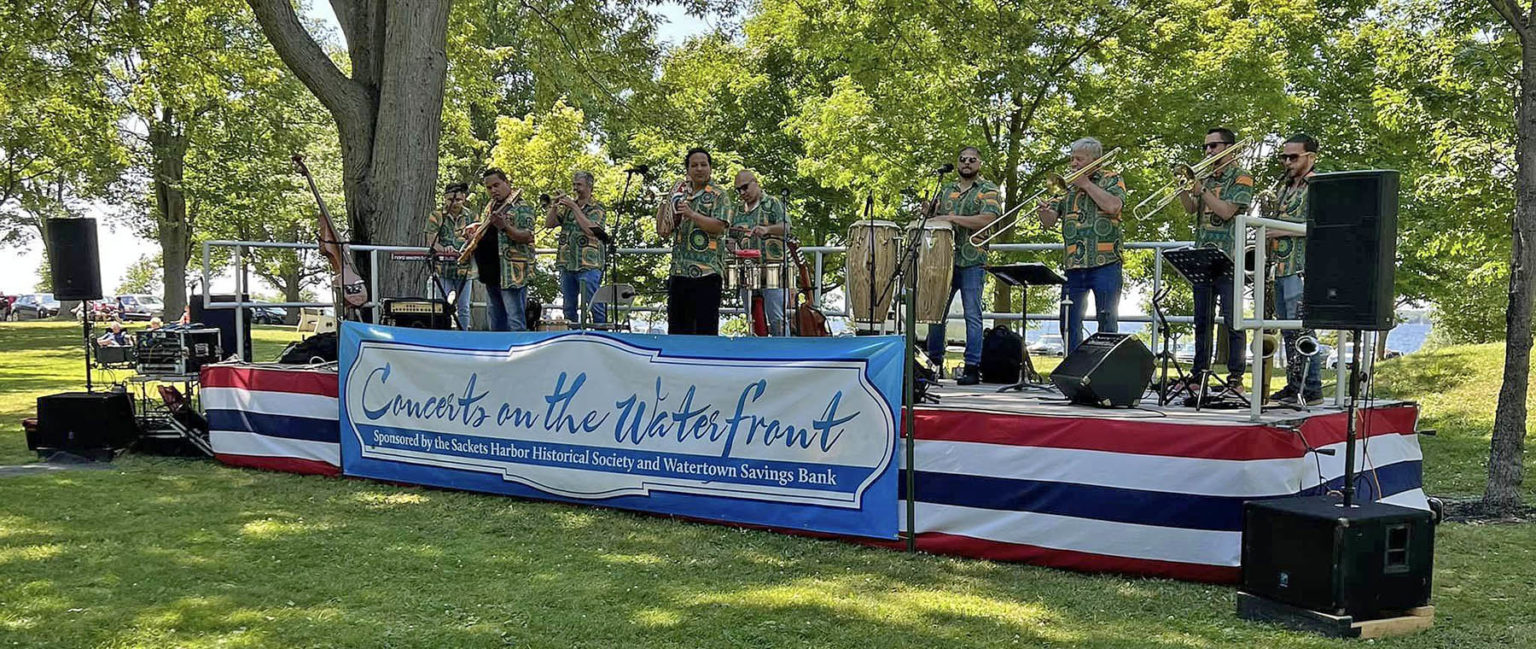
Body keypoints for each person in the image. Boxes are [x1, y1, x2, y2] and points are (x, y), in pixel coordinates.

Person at [1178, 128, 1254, 393]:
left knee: (1234, 322)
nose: (1208, 152)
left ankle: (1236, 378)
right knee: (1202, 320)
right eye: (1206, 147)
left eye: (1213, 146)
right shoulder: (1205, 177)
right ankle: (1198, 374)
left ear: (1230, 148)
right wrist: (1183, 190)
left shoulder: (1241, 177)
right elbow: (1191, 209)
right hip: (1203, 257)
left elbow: (1227, 211)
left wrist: (1202, 189)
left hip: (1230, 257)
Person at [1038, 137, 1127, 352]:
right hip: (1074, 263)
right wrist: (1044, 213)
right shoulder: (1066, 187)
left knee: (1107, 320)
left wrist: (1085, 184)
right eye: (1072, 159)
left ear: (1095, 160)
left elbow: (1114, 206)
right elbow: (1050, 222)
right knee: (1068, 322)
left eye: (1079, 159)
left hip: (1106, 261)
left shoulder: (1111, 179)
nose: (1073, 164)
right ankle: (1073, 369)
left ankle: (1104, 372)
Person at [924, 146, 1003, 385]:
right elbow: (933, 219)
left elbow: (989, 219)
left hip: (972, 259)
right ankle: (933, 363)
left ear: (979, 164)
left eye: (972, 160)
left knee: (972, 314)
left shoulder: (989, 190)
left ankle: (972, 366)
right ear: (957, 164)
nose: (967, 163)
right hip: (943, 261)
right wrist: (929, 212)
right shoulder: (946, 190)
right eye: (962, 160)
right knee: (935, 313)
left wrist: (951, 218)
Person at [1267, 133, 1326, 406]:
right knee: (1288, 330)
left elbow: (1317, 224)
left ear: (1310, 158)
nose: (1287, 162)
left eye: (1293, 157)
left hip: (1301, 267)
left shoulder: (1317, 185)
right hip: (1280, 266)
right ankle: (1294, 385)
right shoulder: (1284, 188)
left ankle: (1311, 387)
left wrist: (1270, 230)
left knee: (1302, 329)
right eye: (1284, 157)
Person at [656, 148, 731, 335]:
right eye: (694, 165)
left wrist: (691, 214)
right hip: (679, 272)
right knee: (677, 331)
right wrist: (664, 204)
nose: (699, 169)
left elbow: (720, 226)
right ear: (687, 170)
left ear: (710, 168)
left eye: (703, 165)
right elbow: (663, 231)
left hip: (707, 274)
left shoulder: (719, 194)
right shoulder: (680, 195)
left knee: (705, 332)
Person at [467, 168, 537, 332]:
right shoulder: (490, 207)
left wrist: (505, 227)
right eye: (489, 188)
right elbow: (488, 229)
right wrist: (475, 230)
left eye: (496, 185)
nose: (493, 190)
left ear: (507, 183)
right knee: (495, 319)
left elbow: (527, 236)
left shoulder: (522, 206)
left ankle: (518, 353)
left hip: (511, 273)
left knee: (514, 319)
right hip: (491, 271)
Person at [729, 170, 789, 336]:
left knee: (777, 317)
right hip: (746, 270)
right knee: (751, 318)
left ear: (756, 183)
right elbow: (731, 237)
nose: (742, 193)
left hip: (772, 268)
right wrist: (732, 247)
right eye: (738, 190)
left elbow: (786, 227)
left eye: (745, 187)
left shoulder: (772, 203)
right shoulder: (737, 210)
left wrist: (767, 229)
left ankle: (784, 352)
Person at [546, 171, 607, 327]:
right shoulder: (568, 208)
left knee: (594, 305)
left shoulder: (597, 208)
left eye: (579, 185)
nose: (575, 188)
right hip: (567, 263)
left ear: (589, 186)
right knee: (568, 307)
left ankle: (602, 338)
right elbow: (549, 223)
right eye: (574, 184)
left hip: (588, 264)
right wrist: (554, 206)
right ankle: (572, 337)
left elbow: (590, 229)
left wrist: (574, 206)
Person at [425, 182, 477, 330]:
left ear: (464, 199)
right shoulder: (436, 215)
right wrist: (443, 250)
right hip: (443, 269)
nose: (454, 203)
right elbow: (431, 240)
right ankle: (441, 334)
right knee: (440, 305)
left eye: (458, 200)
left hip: (464, 269)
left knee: (464, 307)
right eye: (450, 200)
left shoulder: (472, 216)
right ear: (445, 198)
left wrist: (466, 248)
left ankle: (463, 337)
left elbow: (476, 238)